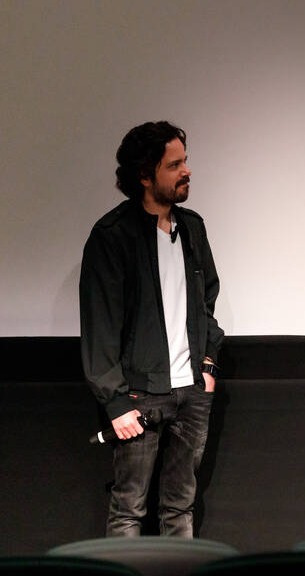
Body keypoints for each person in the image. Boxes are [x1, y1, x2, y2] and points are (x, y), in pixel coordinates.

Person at [80, 120, 224, 537]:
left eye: (185, 161)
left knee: (180, 508)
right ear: (144, 175)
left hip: (192, 394)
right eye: (174, 164)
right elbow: (99, 324)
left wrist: (208, 367)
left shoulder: (192, 227)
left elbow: (206, 302)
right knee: (129, 509)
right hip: (140, 396)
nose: (186, 171)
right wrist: (115, 402)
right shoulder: (112, 236)